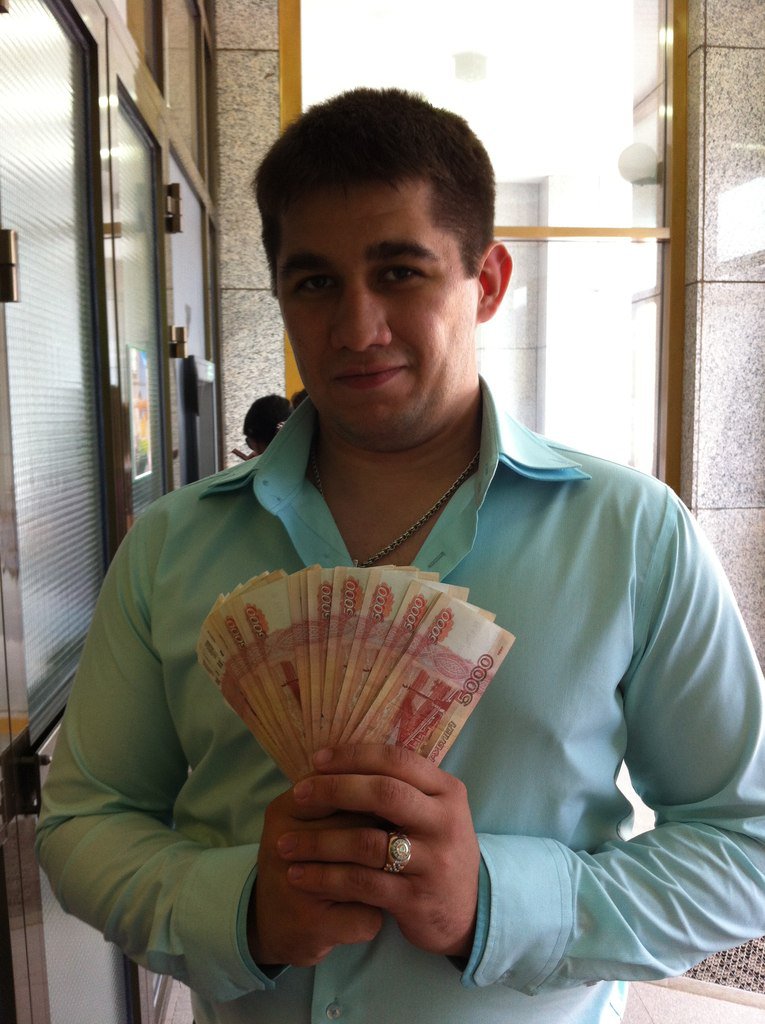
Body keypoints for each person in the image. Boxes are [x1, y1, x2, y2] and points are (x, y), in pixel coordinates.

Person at [37, 87, 765, 1024]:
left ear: (486, 282)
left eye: (400, 272)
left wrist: (496, 904)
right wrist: (240, 912)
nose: (356, 328)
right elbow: (86, 821)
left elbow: (744, 845)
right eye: (314, 283)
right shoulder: (172, 546)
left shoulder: (633, 534)